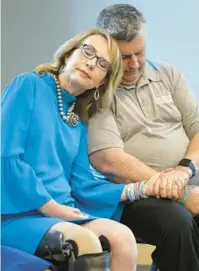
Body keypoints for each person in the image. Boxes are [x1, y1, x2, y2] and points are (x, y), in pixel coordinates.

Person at [1, 28, 138, 271]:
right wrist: (51, 207)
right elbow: (6, 155)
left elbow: (82, 182)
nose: (91, 64)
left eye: (102, 64)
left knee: (123, 238)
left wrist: (132, 190)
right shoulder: (28, 85)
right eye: (87, 51)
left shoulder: (78, 119)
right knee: (83, 242)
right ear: (68, 55)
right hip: (16, 211)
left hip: (59, 209)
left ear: (101, 81)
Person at [87, 4, 199, 271]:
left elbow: (197, 128)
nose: (134, 63)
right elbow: (110, 160)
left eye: (139, 53)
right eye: (125, 57)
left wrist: (184, 171)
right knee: (177, 222)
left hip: (184, 177)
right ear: (107, 48)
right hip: (134, 195)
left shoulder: (168, 74)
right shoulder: (97, 91)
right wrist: (179, 193)